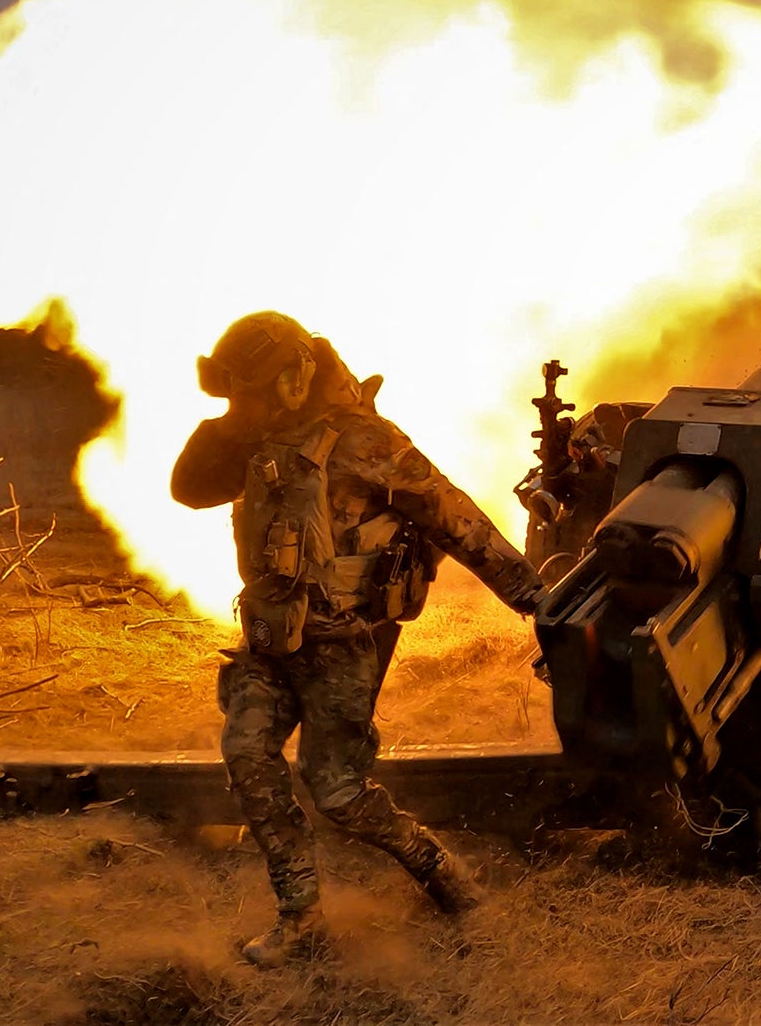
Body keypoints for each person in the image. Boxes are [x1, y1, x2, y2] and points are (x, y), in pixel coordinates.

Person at [171, 311, 546, 967]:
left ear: (297, 376)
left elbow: (453, 515)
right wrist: (235, 420)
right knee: (249, 754)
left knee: (338, 792)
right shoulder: (256, 436)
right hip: (269, 639)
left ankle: (444, 873)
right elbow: (189, 488)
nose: (247, 405)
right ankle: (301, 917)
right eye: (239, 394)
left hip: (343, 645)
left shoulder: (365, 440)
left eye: (255, 390)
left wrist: (533, 595)